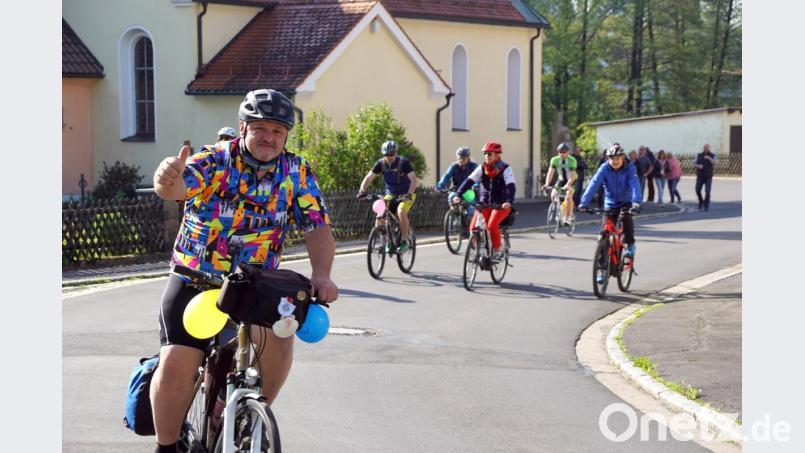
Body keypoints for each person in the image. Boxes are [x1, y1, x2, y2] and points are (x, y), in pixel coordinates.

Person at [151, 89, 338, 453]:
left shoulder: (296, 171)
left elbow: (316, 225)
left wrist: (322, 274)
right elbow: (174, 187)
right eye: (260, 128)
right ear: (242, 128)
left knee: (280, 342)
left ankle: (248, 415)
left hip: (255, 284)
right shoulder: (215, 160)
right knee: (176, 365)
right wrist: (166, 177)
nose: (269, 137)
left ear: (286, 135)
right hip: (197, 278)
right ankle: (167, 446)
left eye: (277, 131)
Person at [578, 144, 642, 283]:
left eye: (617, 158)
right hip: (610, 203)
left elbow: (635, 185)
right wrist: (584, 202)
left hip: (626, 202)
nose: (615, 161)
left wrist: (636, 203)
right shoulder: (604, 168)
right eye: (612, 158)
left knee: (626, 217)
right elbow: (594, 183)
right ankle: (602, 269)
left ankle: (630, 243)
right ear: (608, 159)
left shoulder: (630, 168)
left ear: (623, 157)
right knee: (604, 234)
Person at [454, 141, 515, 260]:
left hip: (501, 205)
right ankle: (479, 250)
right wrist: (458, 195)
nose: (487, 156)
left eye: (489, 154)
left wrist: (509, 201)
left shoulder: (505, 168)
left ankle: (497, 250)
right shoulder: (482, 168)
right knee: (473, 228)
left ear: (497, 155)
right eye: (485, 154)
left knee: (492, 225)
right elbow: (469, 181)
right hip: (485, 204)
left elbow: (511, 186)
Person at [357, 140, 418, 252]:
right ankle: (388, 241)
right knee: (380, 215)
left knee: (401, 211)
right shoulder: (380, 163)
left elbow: (414, 180)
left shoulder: (403, 162)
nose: (389, 157)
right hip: (390, 194)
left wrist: (409, 194)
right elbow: (368, 178)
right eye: (386, 155)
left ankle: (404, 240)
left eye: (391, 154)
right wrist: (362, 191)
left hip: (406, 193)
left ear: (396, 153)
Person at [436, 146, 479, 230]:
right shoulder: (454, 166)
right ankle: (455, 215)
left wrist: (476, 186)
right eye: (459, 158)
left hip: (469, 191)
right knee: (451, 196)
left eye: (463, 158)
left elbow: (478, 177)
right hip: (456, 190)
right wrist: (439, 186)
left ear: (468, 157)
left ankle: (470, 227)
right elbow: (446, 176)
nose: (461, 160)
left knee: (471, 210)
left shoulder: (473, 166)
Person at [541, 143, 577, 225]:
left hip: (571, 180)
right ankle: (560, 210)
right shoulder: (554, 160)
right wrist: (546, 184)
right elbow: (550, 173)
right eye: (560, 152)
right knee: (553, 195)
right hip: (561, 180)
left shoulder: (572, 160)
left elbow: (573, 175)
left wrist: (568, 185)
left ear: (568, 152)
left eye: (564, 152)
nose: (562, 154)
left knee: (568, 196)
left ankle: (568, 217)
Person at [694, 143, 717, 211]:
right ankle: (701, 201)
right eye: (705, 147)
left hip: (708, 176)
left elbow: (715, 163)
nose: (706, 148)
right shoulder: (698, 155)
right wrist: (698, 166)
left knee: (707, 190)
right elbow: (693, 163)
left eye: (707, 147)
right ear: (703, 148)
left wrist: (709, 158)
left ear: (709, 148)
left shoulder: (713, 155)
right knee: (697, 189)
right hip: (700, 175)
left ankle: (706, 205)